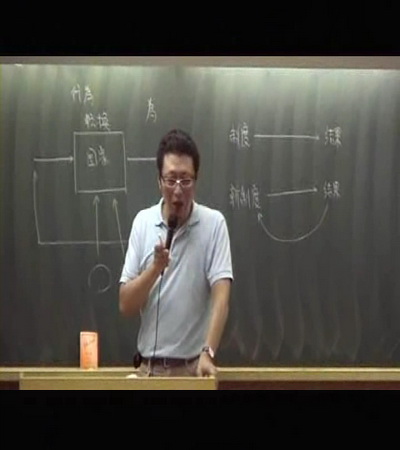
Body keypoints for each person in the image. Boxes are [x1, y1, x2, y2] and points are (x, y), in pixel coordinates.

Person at [119, 129, 233, 377]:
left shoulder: (214, 225)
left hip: (192, 370)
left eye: (186, 180)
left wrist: (208, 352)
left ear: (196, 180)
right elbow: (126, 305)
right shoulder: (143, 222)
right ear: (159, 181)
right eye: (171, 180)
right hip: (148, 371)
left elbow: (221, 299)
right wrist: (155, 268)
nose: (178, 191)